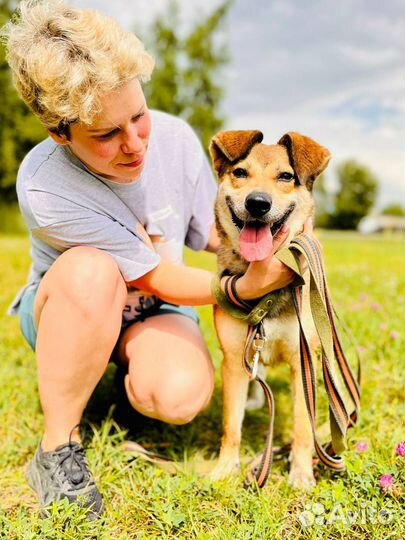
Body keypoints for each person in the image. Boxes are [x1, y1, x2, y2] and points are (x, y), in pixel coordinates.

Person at [3, 0, 299, 519]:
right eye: (105, 135)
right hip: (74, 307)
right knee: (94, 272)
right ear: (60, 133)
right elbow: (154, 274)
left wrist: (276, 240)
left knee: (181, 396)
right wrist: (241, 289)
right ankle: (57, 446)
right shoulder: (45, 182)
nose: (135, 144)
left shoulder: (177, 140)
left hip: (154, 314)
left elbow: (209, 233)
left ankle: (124, 378)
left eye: (137, 116)